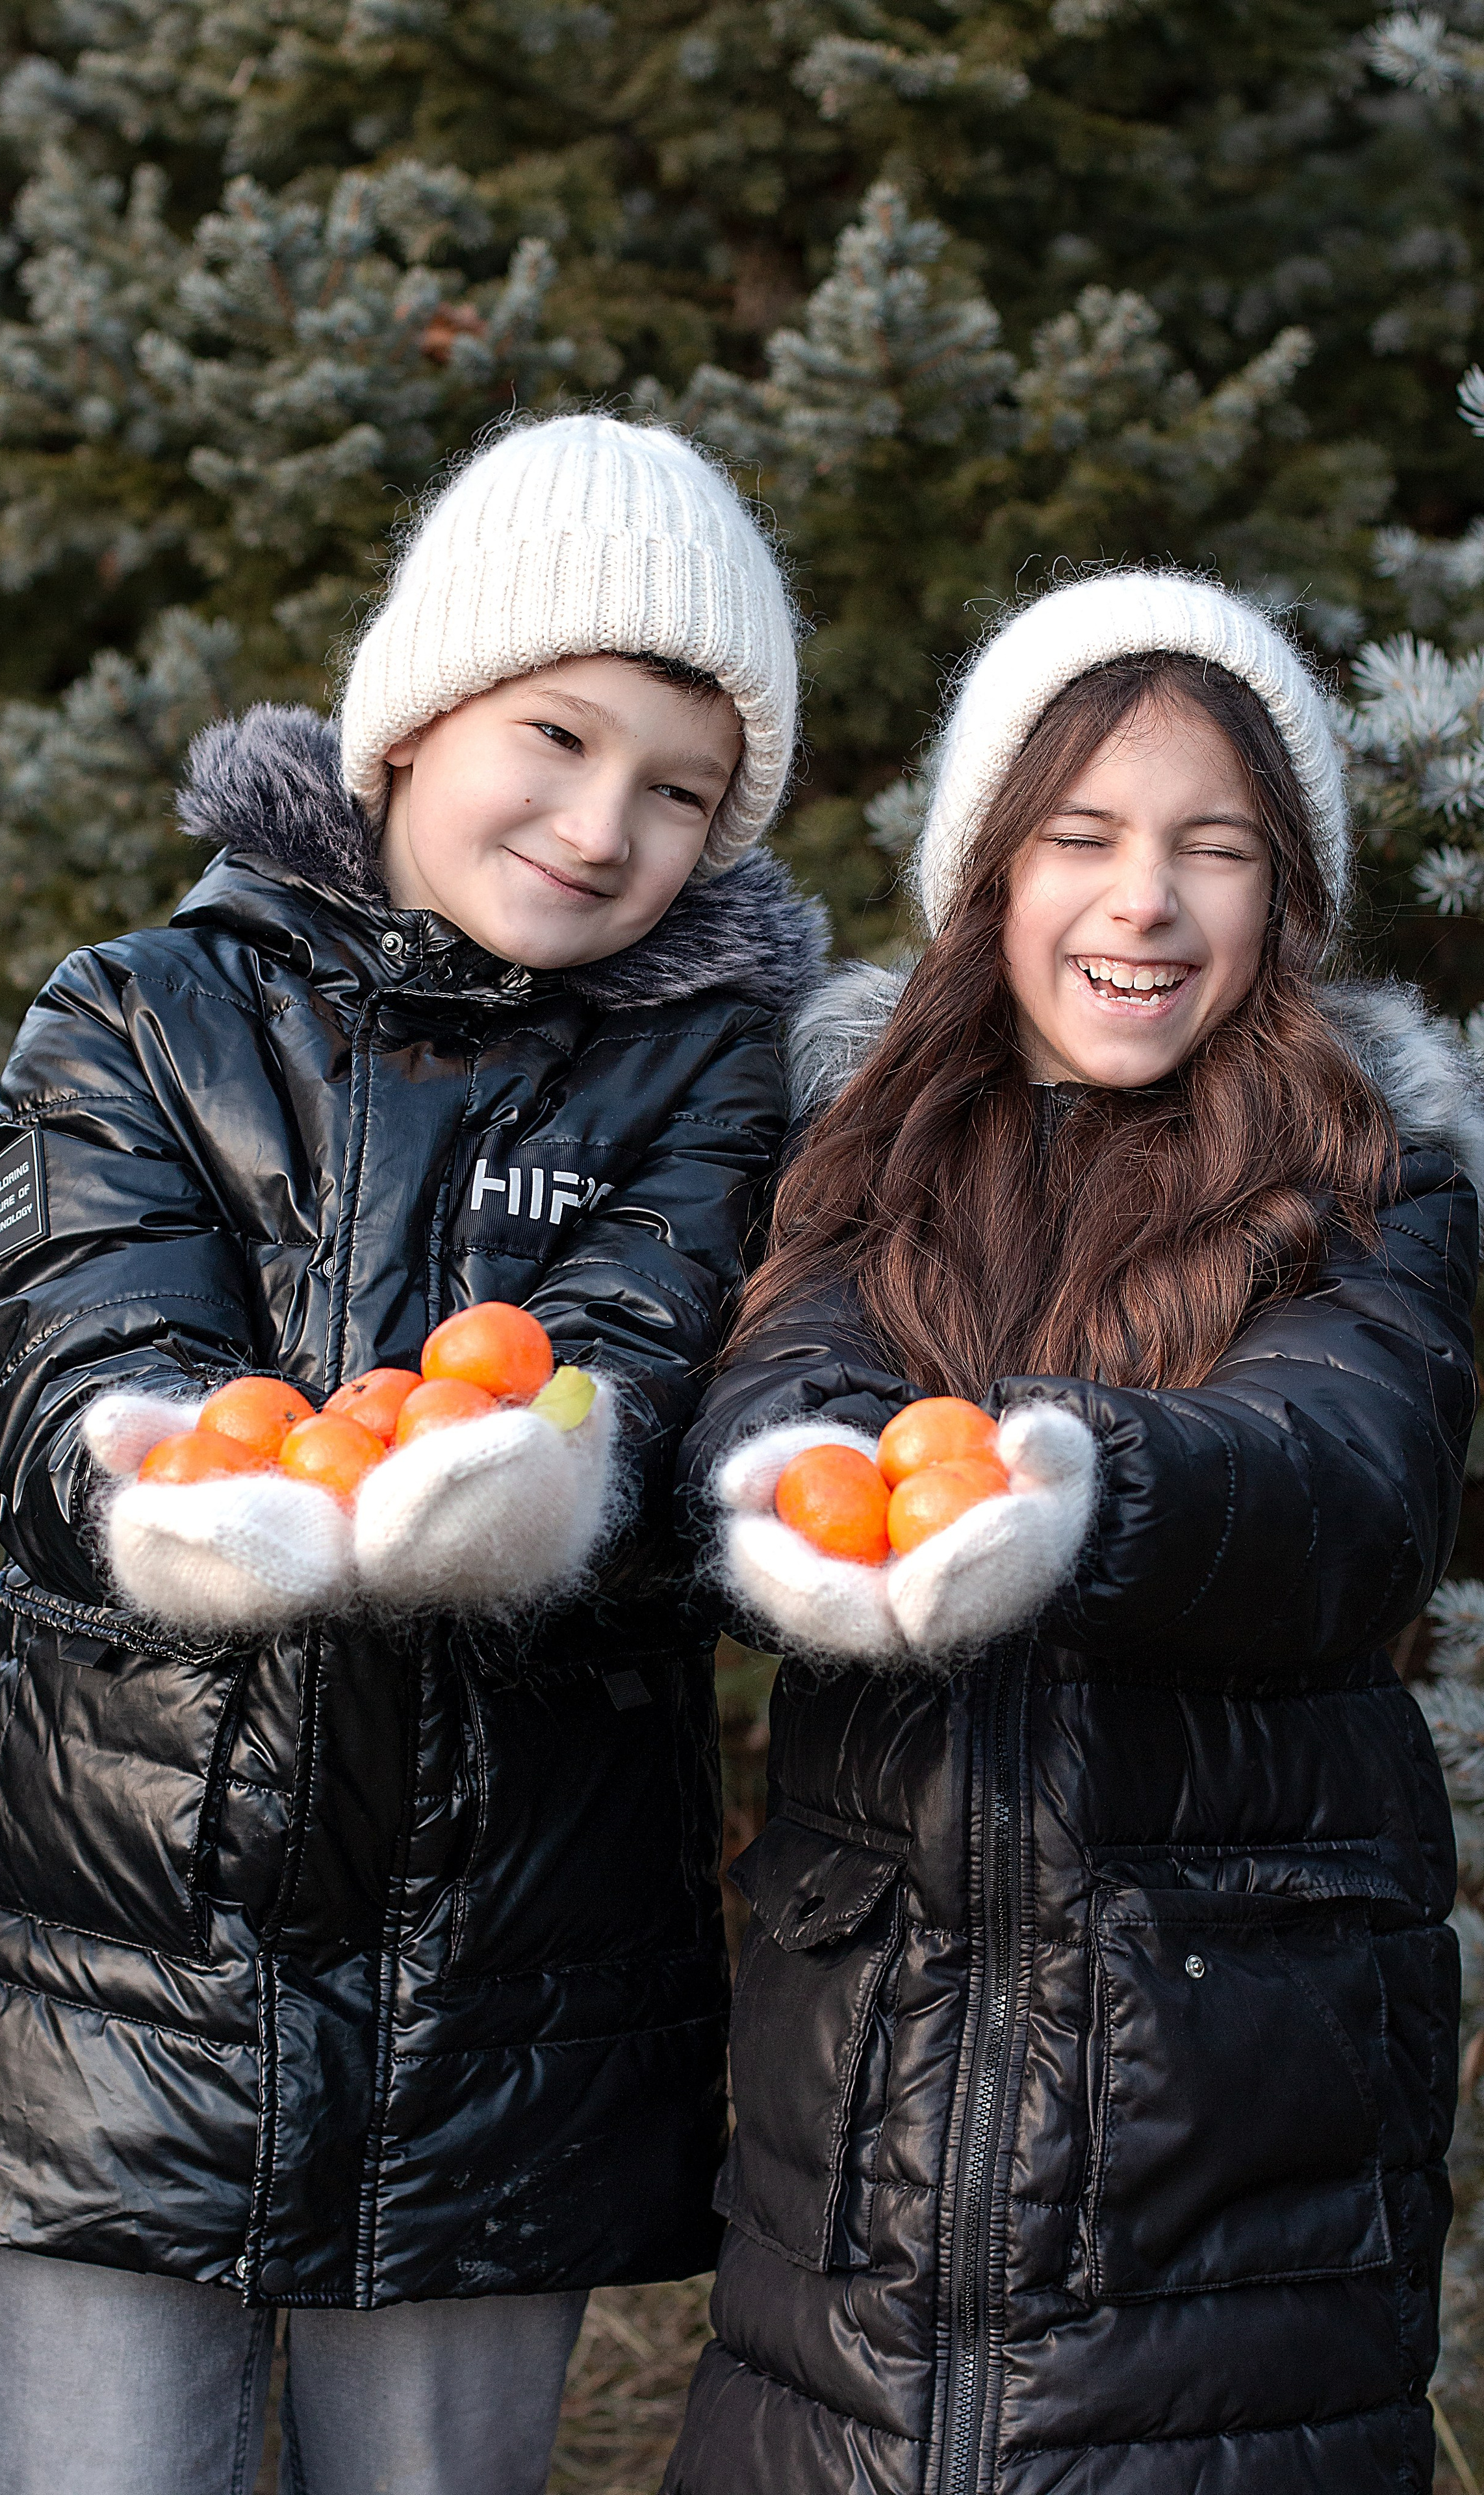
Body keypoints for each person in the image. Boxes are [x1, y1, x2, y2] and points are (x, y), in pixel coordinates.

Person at [0, 411, 826, 2495]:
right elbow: (86, 1353)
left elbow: (647, 1349)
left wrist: (544, 1486)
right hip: (127, 1969)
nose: (605, 826)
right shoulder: (136, 1017)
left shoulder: (714, 1081)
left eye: (683, 793)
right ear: (415, 721)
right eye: (558, 737)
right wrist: (166, 1479)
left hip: (503, 1991)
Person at [662, 570, 1482, 2494]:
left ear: (1282, 897)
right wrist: (797, 1500)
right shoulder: (870, 1157)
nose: (1144, 901)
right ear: (988, 878)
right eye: (1083, 839)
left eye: (1215, 848)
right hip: (867, 2134)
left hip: (1224, 2121)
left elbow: (1339, 1474)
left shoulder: (1375, 1179)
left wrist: (1069, 1483)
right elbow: (785, 1392)